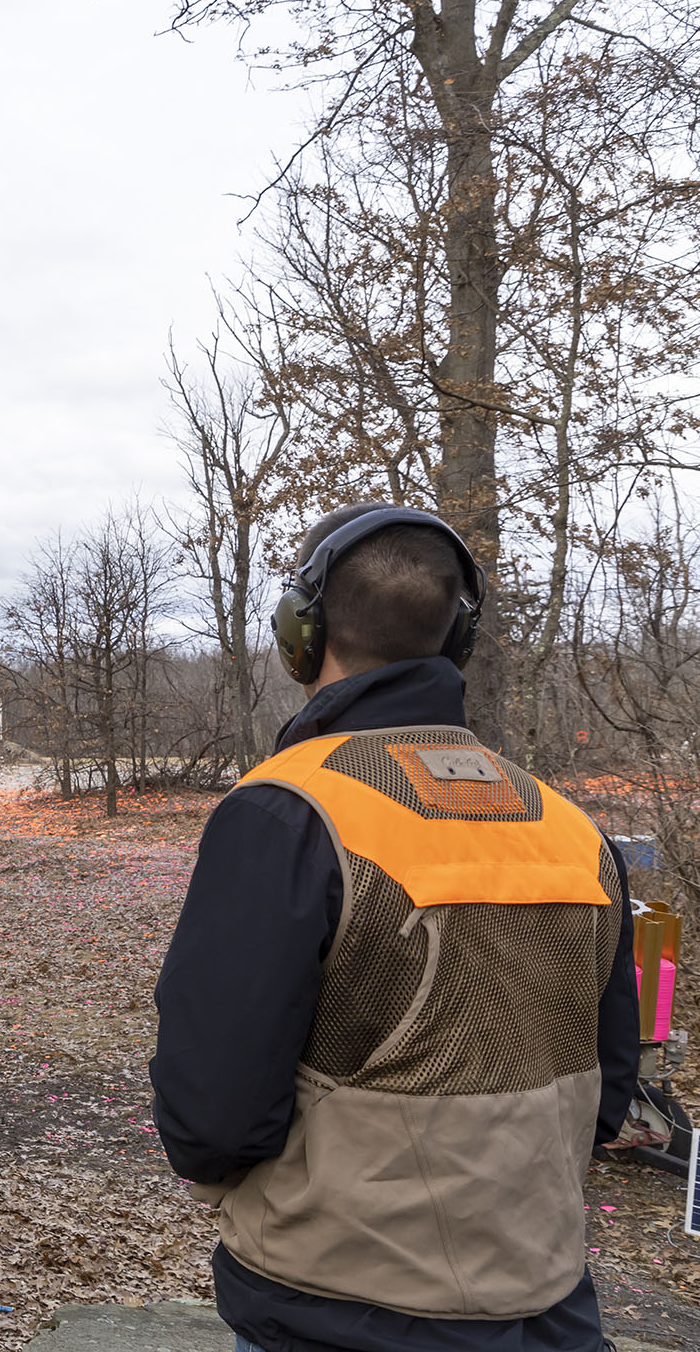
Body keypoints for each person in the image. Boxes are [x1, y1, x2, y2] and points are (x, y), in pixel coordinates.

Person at [151, 504, 640, 1352]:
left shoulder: (288, 812)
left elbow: (215, 1112)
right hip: (547, 1304)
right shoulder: (571, 827)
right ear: (458, 640)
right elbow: (610, 1081)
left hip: (334, 1307)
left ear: (301, 633)